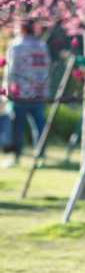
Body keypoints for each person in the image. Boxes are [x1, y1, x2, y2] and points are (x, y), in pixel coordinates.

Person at [2, 18, 50, 166]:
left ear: (22, 29)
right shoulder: (42, 46)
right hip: (38, 92)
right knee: (40, 126)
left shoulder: (16, 46)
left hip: (20, 93)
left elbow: (10, 71)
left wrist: (6, 90)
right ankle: (40, 156)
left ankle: (16, 156)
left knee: (18, 126)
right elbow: (47, 68)